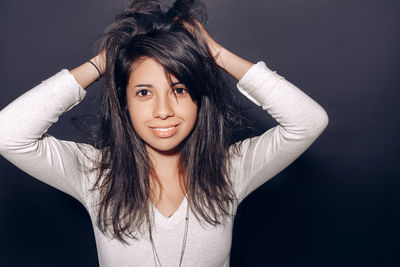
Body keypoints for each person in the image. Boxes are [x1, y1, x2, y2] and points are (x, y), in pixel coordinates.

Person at [0, 0, 328, 266]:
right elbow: (8, 133)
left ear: (198, 98)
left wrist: (216, 55)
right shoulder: (93, 173)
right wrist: (103, 62)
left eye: (180, 89)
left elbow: (308, 122)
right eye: (144, 92)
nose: (163, 110)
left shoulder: (231, 168)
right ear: (124, 102)